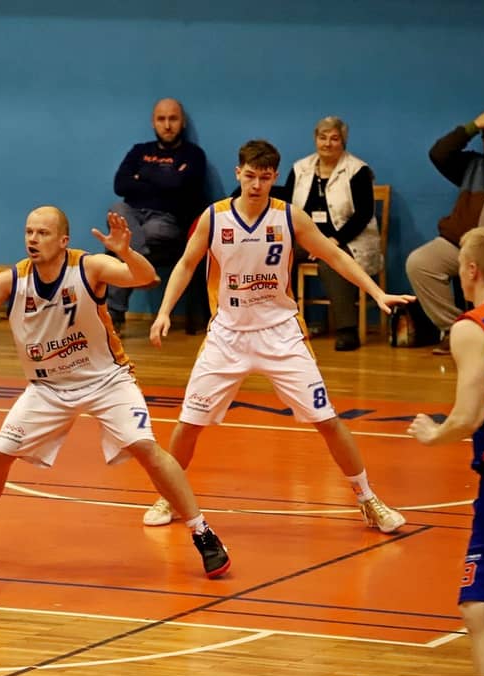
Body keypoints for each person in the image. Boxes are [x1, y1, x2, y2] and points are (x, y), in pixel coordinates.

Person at [0, 206, 231, 579]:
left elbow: (145, 277)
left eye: (42, 233)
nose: (33, 239)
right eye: (29, 232)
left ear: (63, 240)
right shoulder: (13, 280)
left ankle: (203, 533)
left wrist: (126, 251)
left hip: (106, 381)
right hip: (48, 388)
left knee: (146, 448)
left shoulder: (88, 267)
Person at [143, 140, 412, 532]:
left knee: (327, 420)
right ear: (238, 173)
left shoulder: (289, 216)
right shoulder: (214, 218)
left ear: (274, 178)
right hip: (228, 335)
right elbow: (186, 265)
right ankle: (169, 497)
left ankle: (368, 498)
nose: (256, 185)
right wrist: (164, 311)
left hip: (281, 334)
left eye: (265, 178)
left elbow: (335, 255)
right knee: (189, 423)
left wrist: (376, 292)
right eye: (250, 176)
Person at [407, 226, 484, 676]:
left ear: (471, 270)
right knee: (480, 605)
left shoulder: (472, 327)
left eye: (459, 267)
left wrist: (434, 434)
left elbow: (469, 415)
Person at [405, 108, 484, 354]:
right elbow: (438, 153)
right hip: (461, 243)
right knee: (420, 262)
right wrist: (473, 126)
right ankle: (456, 330)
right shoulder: (471, 165)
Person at [274, 116, 383, 351]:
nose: (327, 143)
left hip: (348, 239)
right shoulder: (300, 168)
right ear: (315, 139)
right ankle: (282, 323)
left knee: (330, 261)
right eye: (322, 138)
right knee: (277, 254)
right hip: (306, 238)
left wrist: (333, 241)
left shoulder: (357, 170)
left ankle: (347, 330)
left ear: (343, 142)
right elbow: (288, 206)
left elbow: (364, 213)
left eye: (334, 138)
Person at [108, 98, 209, 336]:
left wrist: (143, 176)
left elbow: (182, 187)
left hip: (168, 220)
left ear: (182, 122)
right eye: (161, 119)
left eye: (173, 119)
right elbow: (120, 185)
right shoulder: (139, 151)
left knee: (128, 244)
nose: (167, 125)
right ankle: (141, 266)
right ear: (153, 122)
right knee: (117, 209)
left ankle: (118, 305)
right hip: (133, 215)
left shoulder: (193, 154)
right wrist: (166, 179)